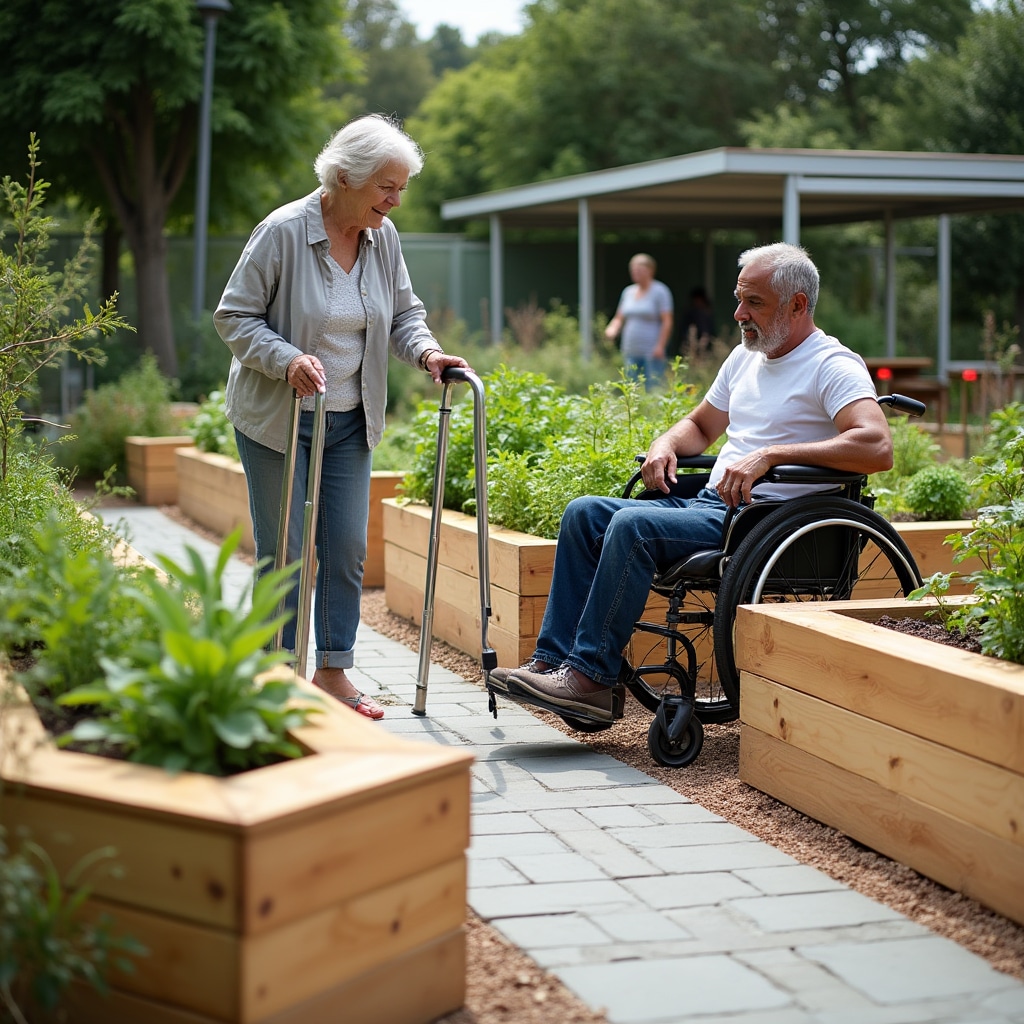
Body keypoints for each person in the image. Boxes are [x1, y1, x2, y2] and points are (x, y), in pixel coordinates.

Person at [492, 242, 893, 723]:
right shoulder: (746, 357)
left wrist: (772, 455)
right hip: (713, 505)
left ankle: (591, 679)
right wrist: (665, 442)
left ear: (798, 305)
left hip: (763, 522)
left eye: (754, 303)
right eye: (739, 298)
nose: (739, 313)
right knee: (584, 513)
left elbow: (876, 446)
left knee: (632, 526)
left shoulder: (831, 365)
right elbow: (701, 428)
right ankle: (555, 662)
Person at [214, 114, 469, 720]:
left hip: (350, 416)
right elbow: (234, 318)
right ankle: (276, 680)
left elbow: (404, 315)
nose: (395, 199)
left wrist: (429, 352)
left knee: (348, 546)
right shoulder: (282, 232)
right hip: (281, 416)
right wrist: (286, 359)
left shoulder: (384, 239)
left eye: (401, 188)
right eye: (387, 185)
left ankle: (332, 670)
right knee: (287, 549)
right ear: (346, 177)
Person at [604, 253, 674, 389]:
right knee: (632, 389)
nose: (636, 273)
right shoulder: (628, 292)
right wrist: (612, 329)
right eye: (633, 270)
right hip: (630, 350)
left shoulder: (660, 291)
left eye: (640, 270)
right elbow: (619, 317)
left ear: (651, 270)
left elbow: (667, 321)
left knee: (652, 389)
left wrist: (660, 346)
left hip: (652, 352)